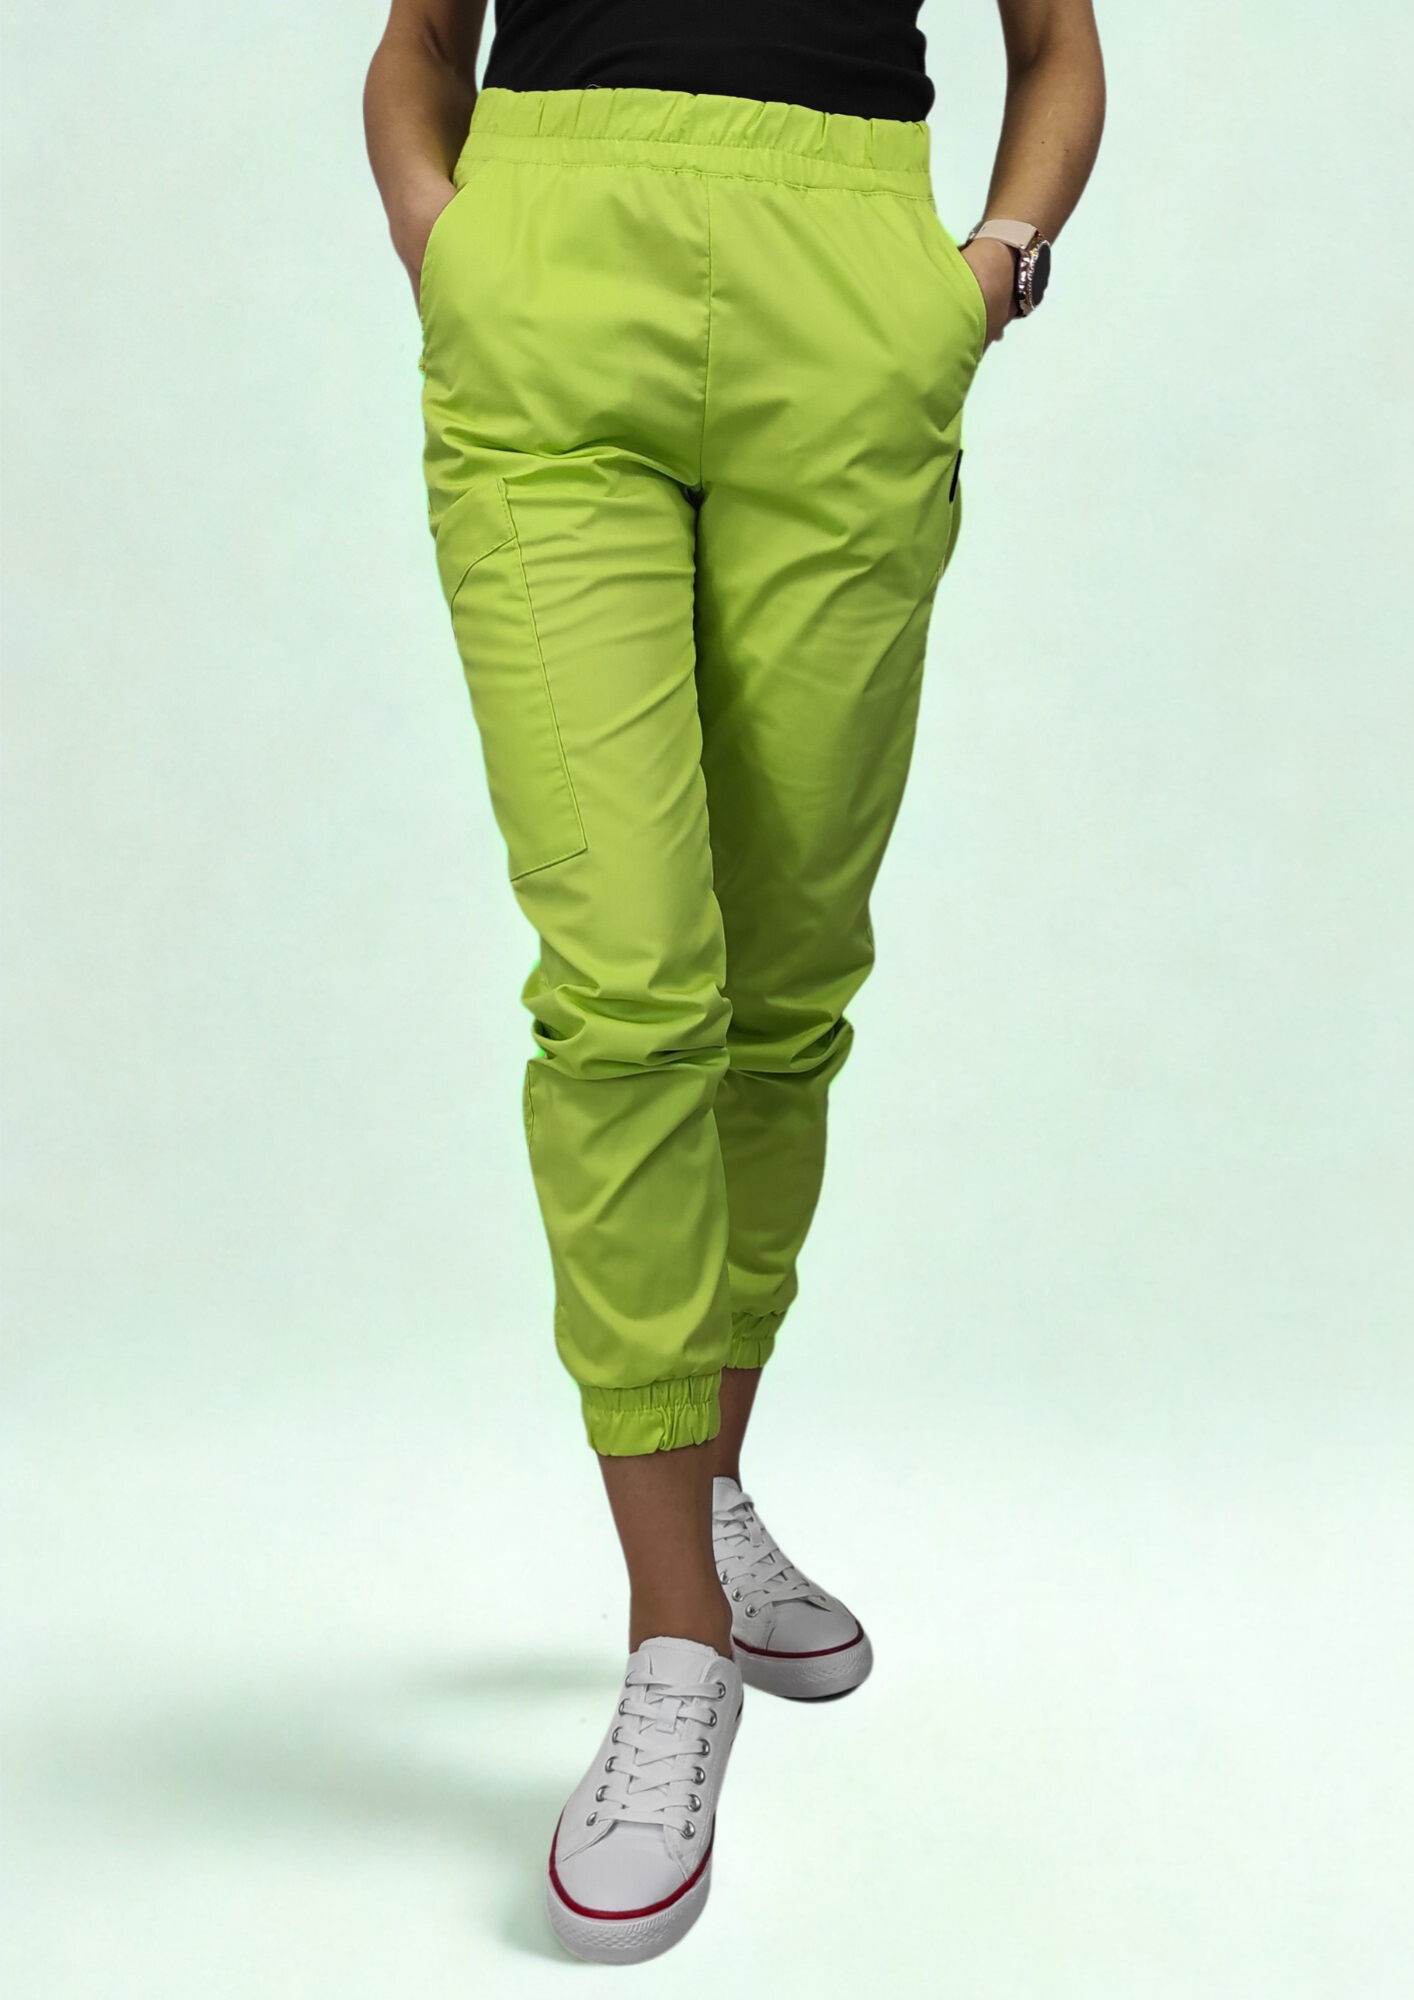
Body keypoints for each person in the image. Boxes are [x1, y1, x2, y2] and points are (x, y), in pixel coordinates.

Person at [364, 0, 1104, 1962]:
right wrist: (446, 236)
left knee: (781, 987)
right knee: (626, 988)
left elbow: (1057, 43)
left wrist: (983, 270)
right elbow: (421, 37)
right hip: (550, 275)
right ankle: (675, 1638)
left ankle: (706, 1482)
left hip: (849, 286)